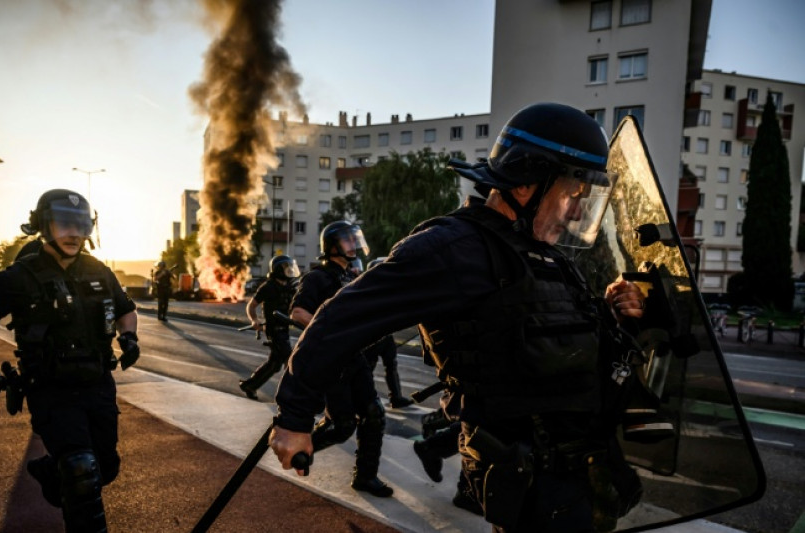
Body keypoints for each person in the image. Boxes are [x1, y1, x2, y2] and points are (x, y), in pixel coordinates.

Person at [270, 103, 648, 531]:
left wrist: (616, 310)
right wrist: (295, 418)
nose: (577, 212)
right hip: (530, 483)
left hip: (581, 476)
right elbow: (342, 317)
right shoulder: (454, 248)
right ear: (528, 181)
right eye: (571, 194)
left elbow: (563, 341)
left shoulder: (545, 255)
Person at [0, 189, 139, 532]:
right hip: (51, 389)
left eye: (82, 225)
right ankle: (66, 474)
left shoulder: (100, 271)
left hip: (98, 385)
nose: (74, 232)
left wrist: (128, 337)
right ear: (43, 225)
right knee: (80, 471)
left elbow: (127, 311)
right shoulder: (19, 277)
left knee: (105, 468)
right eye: (63, 223)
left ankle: (49, 470)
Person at [287, 220, 393, 498]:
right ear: (332, 245)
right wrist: (331, 334)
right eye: (347, 240)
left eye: (353, 239)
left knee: (374, 414)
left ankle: (365, 477)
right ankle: (301, 449)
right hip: (332, 362)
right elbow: (298, 312)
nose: (353, 245)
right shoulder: (317, 278)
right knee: (342, 425)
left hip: (355, 357)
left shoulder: (351, 278)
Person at [238, 254, 300, 400]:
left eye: (290, 266)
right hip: (274, 330)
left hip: (284, 329)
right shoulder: (268, 287)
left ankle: (250, 385)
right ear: (278, 269)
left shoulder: (290, 287)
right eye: (286, 267)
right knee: (289, 360)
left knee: (275, 364)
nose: (290, 270)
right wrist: (254, 320)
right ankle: (289, 395)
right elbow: (251, 306)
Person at [361, 258, 413, 409]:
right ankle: (366, 399)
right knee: (367, 369)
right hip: (372, 337)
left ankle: (395, 397)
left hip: (386, 335)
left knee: (391, 366)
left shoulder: (388, 290)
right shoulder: (367, 292)